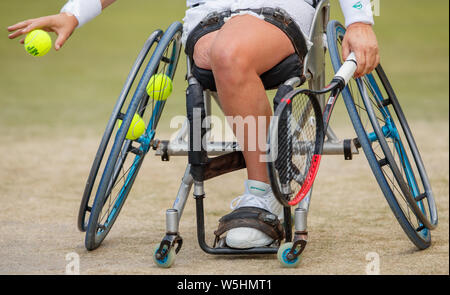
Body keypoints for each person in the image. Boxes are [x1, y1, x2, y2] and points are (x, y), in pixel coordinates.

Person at [8, 0, 379, 249]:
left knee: (229, 51)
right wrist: (72, 13)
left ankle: (262, 191)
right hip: (209, 20)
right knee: (224, 50)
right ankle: (265, 173)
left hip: (279, 13)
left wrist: (360, 20)